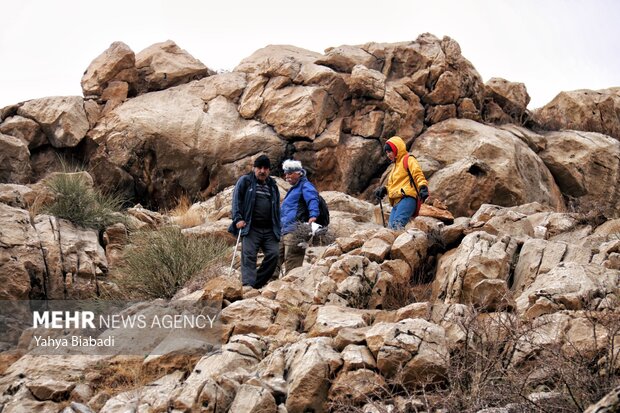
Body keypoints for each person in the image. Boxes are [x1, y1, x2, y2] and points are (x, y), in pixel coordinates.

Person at [228, 154, 281, 288]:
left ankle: (256, 283)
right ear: (254, 168)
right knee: (249, 256)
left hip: (269, 229)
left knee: (274, 255)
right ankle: (248, 286)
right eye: (259, 168)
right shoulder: (245, 181)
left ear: (269, 170)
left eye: (265, 168)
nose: (262, 171)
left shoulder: (273, 185)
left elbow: (276, 207)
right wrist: (238, 219)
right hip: (251, 227)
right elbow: (236, 201)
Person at [374, 136, 429, 229]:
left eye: (390, 151)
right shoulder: (395, 166)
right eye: (387, 152)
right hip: (396, 202)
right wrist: (384, 190)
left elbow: (418, 174)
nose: (388, 154)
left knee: (396, 226)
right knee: (390, 229)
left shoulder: (408, 159)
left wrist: (423, 187)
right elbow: (395, 185)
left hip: (407, 199)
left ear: (397, 149)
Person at [279, 159, 320, 274]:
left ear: (299, 173)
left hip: (296, 230)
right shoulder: (294, 189)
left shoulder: (305, 186)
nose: (287, 176)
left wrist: (313, 215)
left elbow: (313, 199)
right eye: (286, 173)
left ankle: (290, 286)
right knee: (274, 258)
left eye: (290, 173)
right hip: (284, 230)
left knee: (292, 259)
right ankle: (268, 287)